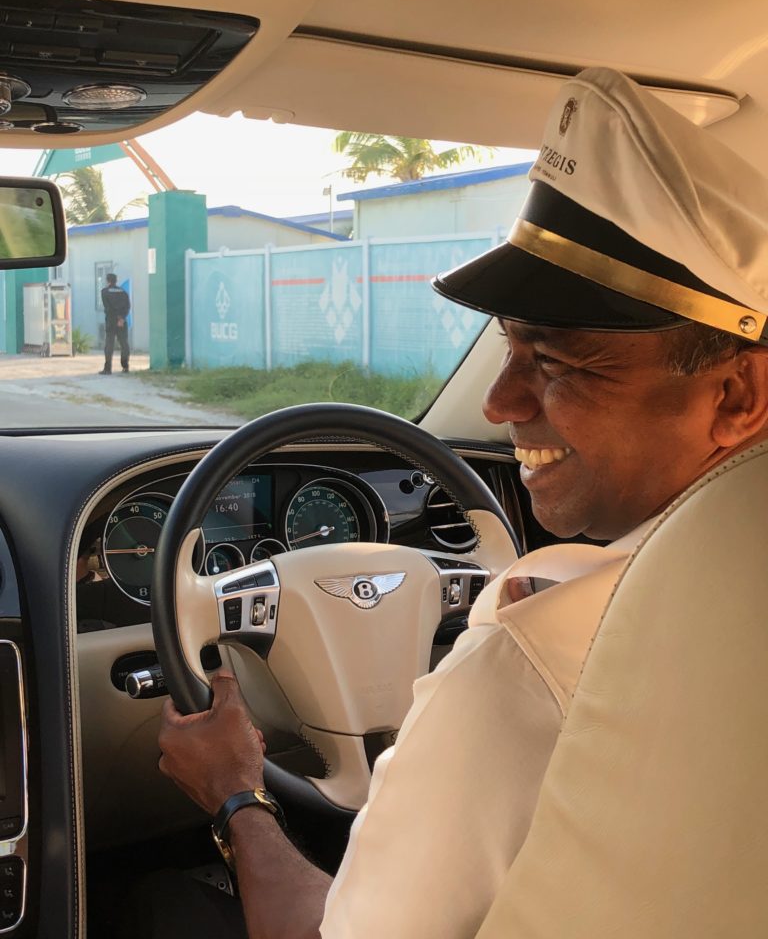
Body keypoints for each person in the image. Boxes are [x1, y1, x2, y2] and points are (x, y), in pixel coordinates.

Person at [154, 67, 768, 938]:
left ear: (737, 398)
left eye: (555, 364)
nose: (499, 404)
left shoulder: (522, 670)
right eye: (509, 350)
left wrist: (236, 793)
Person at [99, 272, 131, 375]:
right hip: (122, 321)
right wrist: (121, 318)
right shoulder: (123, 292)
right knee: (124, 344)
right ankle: (125, 366)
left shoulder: (104, 292)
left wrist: (116, 318)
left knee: (109, 345)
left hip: (111, 321)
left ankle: (108, 369)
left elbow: (108, 307)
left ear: (108, 280)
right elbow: (127, 306)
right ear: (116, 281)